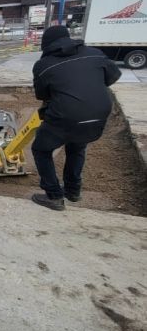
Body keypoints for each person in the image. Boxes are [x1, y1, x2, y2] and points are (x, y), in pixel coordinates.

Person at [30, 24, 121, 211]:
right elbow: (113, 76)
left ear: (46, 44)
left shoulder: (44, 65)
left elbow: (42, 95)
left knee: (40, 149)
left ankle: (54, 196)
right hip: (98, 113)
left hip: (66, 115)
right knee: (77, 145)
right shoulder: (95, 53)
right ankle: (73, 191)